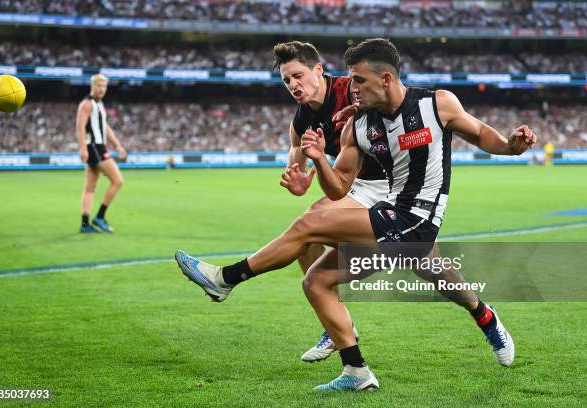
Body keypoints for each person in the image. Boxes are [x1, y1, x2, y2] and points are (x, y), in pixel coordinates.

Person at [175, 38, 536, 391]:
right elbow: (338, 188)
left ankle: (226, 278)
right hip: (386, 211)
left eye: (359, 81)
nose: (353, 89)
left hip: (418, 217)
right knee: (316, 281)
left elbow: (480, 133)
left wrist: (510, 146)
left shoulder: (436, 104)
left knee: (310, 225)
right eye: (351, 80)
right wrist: (317, 157)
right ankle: (358, 370)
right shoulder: (359, 125)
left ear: (386, 79)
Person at [274, 41, 389, 362]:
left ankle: (484, 316)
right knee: (305, 230)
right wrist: (296, 180)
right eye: (286, 81)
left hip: (398, 184)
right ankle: (336, 322)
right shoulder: (300, 121)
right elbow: (295, 164)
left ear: (318, 70)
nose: (293, 85)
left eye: (297, 75)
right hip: (358, 186)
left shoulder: (351, 90)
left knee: (435, 272)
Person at [76, 74, 126, 233]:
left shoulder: (99, 105)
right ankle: (99, 216)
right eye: (98, 85)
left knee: (90, 187)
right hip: (95, 148)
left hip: (98, 147)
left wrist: (117, 144)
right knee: (118, 181)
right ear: (92, 86)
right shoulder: (87, 104)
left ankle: (85, 225)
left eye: (104, 86)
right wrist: (83, 148)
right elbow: (80, 126)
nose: (101, 89)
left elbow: (104, 127)